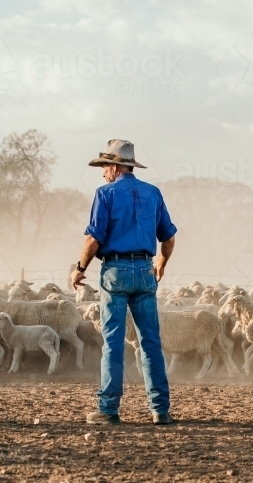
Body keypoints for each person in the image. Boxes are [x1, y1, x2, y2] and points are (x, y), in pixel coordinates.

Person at [70, 139, 177, 425]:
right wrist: (161, 263)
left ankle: (108, 408)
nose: (103, 173)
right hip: (144, 270)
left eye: (105, 167)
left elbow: (93, 238)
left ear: (115, 166)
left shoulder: (105, 194)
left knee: (113, 342)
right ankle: (160, 410)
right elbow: (168, 238)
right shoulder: (153, 193)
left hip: (115, 271)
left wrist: (80, 269)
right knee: (150, 342)